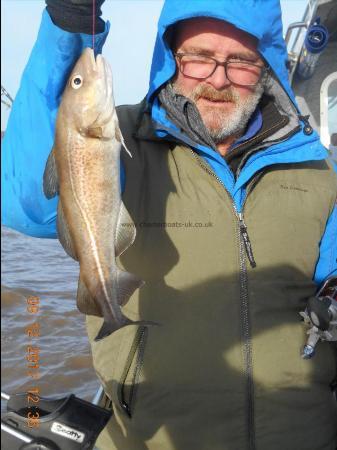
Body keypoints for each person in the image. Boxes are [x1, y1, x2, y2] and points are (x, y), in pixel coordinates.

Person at [2, 0, 337, 449]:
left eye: (240, 61)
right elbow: (27, 205)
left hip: (302, 435)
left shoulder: (316, 168)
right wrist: (67, 32)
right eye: (198, 57)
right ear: (170, 59)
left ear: (267, 66)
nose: (218, 79)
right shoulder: (122, 140)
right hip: (151, 437)